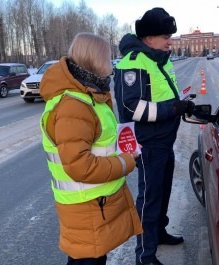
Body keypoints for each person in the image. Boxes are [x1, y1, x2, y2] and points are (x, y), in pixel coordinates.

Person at [39, 32, 143, 265]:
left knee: (91, 259)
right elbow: (80, 166)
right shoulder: (74, 105)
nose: (111, 63)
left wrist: (126, 147)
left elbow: (100, 143)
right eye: (107, 57)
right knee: (87, 261)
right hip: (87, 208)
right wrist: (126, 161)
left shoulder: (90, 95)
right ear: (94, 60)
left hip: (94, 205)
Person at [113, 7, 195, 265]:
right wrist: (172, 108)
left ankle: (158, 233)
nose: (170, 40)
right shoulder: (135, 62)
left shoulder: (159, 58)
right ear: (148, 38)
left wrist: (182, 104)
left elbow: (164, 94)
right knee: (149, 200)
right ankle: (145, 256)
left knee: (163, 192)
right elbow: (131, 107)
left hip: (164, 141)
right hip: (148, 144)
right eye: (165, 36)